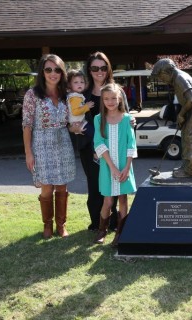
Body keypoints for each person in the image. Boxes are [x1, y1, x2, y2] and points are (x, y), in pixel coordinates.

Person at [73, 52, 130, 232]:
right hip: (89, 147)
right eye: (95, 68)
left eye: (103, 67)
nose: (100, 71)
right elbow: (72, 118)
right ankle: (98, 224)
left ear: (108, 69)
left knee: (115, 185)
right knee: (95, 185)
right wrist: (72, 128)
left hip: (114, 147)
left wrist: (132, 122)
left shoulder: (117, 91)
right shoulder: (82, 93)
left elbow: (125, 115)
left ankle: (115, 225)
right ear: (89, 70)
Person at [22, 54, 75, 239]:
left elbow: (73, 119)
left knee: (61, 187)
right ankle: (47, 225)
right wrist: (28, 152)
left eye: (57, 70)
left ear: (62, 72)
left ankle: (61, 225)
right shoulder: (32, 94)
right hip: (41, 144)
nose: (53, 73)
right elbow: (27, 124)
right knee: (46, 188)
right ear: (42, 72)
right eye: (48, 69)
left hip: (63, 142)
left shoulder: (66, 94)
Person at [93, 83, 137, 245]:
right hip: (107, 167)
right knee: (108, 201)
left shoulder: (126, 119)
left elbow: (131, 144)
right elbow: (99, 143)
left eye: (113, 98)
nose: (110, 101)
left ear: (119, 99)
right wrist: (112, 167)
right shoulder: (99, 119)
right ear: (102, 100)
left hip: (125, 166)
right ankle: (102, 230)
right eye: (106, 99)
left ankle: (120, 233)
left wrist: (126, 167)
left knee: (123, 199)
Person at [151, 58, 192, 178]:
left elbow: (191, 99)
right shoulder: (177, 77)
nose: (161, 80)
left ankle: (191, 170)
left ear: (168, 71)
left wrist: (181, 114)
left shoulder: (179, 78)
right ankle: (187, 166)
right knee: (185, 135)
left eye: (161, 77)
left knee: (190, 137)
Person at [66, 69, 94, 134]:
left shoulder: (76, 95)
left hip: (78, 122)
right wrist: (87, 106)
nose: (79, 84)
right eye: (76, 82)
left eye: (82, 82)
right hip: (77, 123)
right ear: (69, 84)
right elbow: (75, 112)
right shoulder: (75, 97)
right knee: (94, 134)